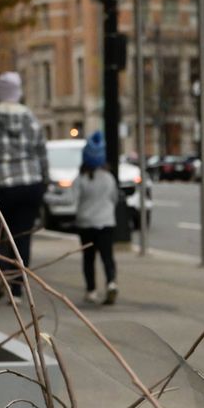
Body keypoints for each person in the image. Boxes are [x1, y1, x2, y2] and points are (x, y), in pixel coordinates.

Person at [0, 70, 49, 300]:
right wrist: (43, 181)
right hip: (29, 184)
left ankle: (0, 276)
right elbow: (41, 152)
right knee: (22, 236)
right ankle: (19, 289)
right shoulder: (30, 117)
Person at [73, 131, 119, 305]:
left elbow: (72, 198)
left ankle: (91, 290)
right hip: (106, 222)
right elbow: (114, 198)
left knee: (88, 259)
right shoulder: (109, 178)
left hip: (86, 224)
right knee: (107, 257)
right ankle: (111, 282)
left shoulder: (81, 179)